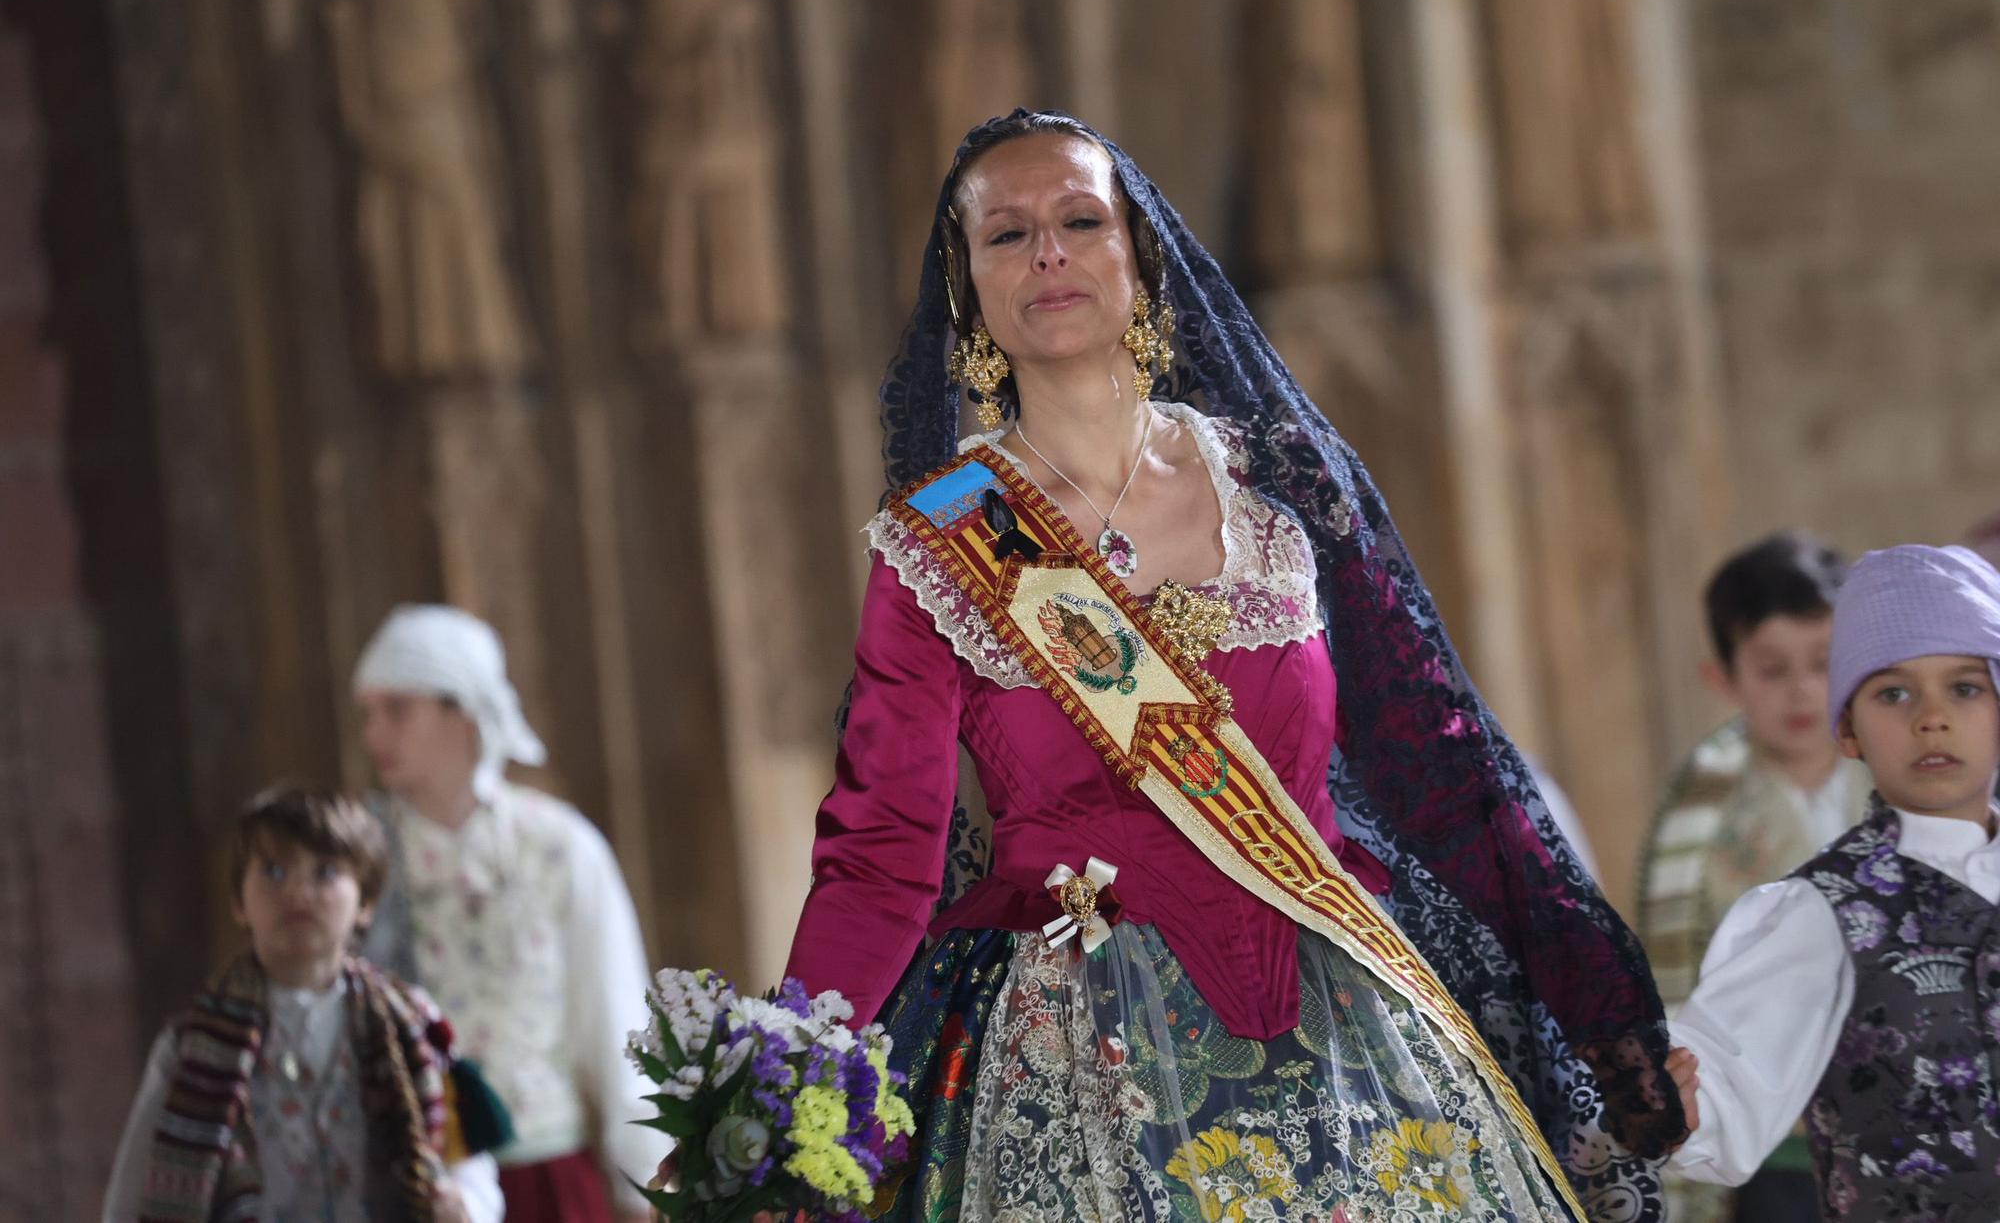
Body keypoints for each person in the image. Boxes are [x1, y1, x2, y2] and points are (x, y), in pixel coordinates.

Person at [780, 110, 1686, 1221]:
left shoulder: (1278, 485)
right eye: (1005, 236)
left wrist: (1599, 1001)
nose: (1049, 253)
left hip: (1345, 1024)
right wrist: (783, 1084)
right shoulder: (947, 534)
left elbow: (1437, 757)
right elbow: (879, 849)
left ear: (1140, 256)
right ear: (965, 292)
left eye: (1079, 220)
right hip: (1081, 1052)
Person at [1668, 544, 2000, 1219]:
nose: (1930, 716)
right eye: (1893, 692)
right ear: (1847, 725)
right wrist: (1666, 1099)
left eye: (1965, 686)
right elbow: (1723, 1091)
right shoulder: (1821, 911)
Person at [352, 605, 663, 1223]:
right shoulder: (357, 855)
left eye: (397, 710)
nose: (373, 735)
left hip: (546, 1179)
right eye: (367, 715)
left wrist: (646, 1182)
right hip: (412, 1184)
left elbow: (614, 1018)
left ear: (459, 710)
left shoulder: (557, 844)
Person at [104, 788, 505, 1222]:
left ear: (365, 903)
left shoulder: (414, 1025)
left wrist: (463, 1204)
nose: (297, 892)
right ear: (240, 902)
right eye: (274, 872)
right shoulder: (190, 1046)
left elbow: (470, 1167)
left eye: (325, 873)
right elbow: (128, 1201)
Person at [1638, 533, 1870, 1220]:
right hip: (1778, 1155)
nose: (1801, 690)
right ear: (1724, 677)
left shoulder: (1895, 774)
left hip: (1901, 1125)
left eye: (1823, 662)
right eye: (1772, 668)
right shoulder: (1696, 814)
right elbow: (1672, 978)